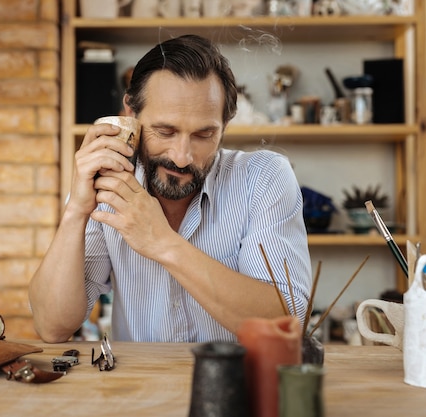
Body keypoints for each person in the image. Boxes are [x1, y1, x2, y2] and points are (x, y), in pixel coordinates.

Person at [29, 34, 312, 343]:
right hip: (140, 387)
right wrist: (76, 211)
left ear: (225, 125)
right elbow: (52, 326)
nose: (182, 156)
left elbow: (288, 320)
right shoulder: (108, 182)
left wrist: (162, 243)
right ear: (131, 114)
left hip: (240, 386)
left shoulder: (264, 177)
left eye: (204, 134)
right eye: (165, 131)